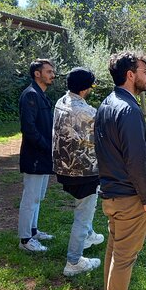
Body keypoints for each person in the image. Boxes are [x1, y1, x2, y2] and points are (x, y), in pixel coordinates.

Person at [95, 51, 146, 290]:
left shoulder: (107, 103)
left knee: (114, 250)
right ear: (130, 74)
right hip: (129, 197)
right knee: (124, 257)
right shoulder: (129, 109)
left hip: (111, 194)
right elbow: (137, 160)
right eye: (144, 70)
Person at [52, 67, 105, 277]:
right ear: (85, 88)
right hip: (84, 172)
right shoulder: (88, 113)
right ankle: (73, 261)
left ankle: (89, 235)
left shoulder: (60, 102)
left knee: (83, 209)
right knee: (84, 213)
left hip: (63, 167)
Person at [18, 58, 56, 252]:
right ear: (37, 74)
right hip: (34, 156)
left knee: (38, 197)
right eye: (48, 71)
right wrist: (45, 146)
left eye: (52, 71)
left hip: (43, 156)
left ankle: (33, 230)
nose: (52, 75)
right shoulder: (30, 95)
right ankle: (25, 240)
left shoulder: (41, 95)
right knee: (30, 198)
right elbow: (29, 128)